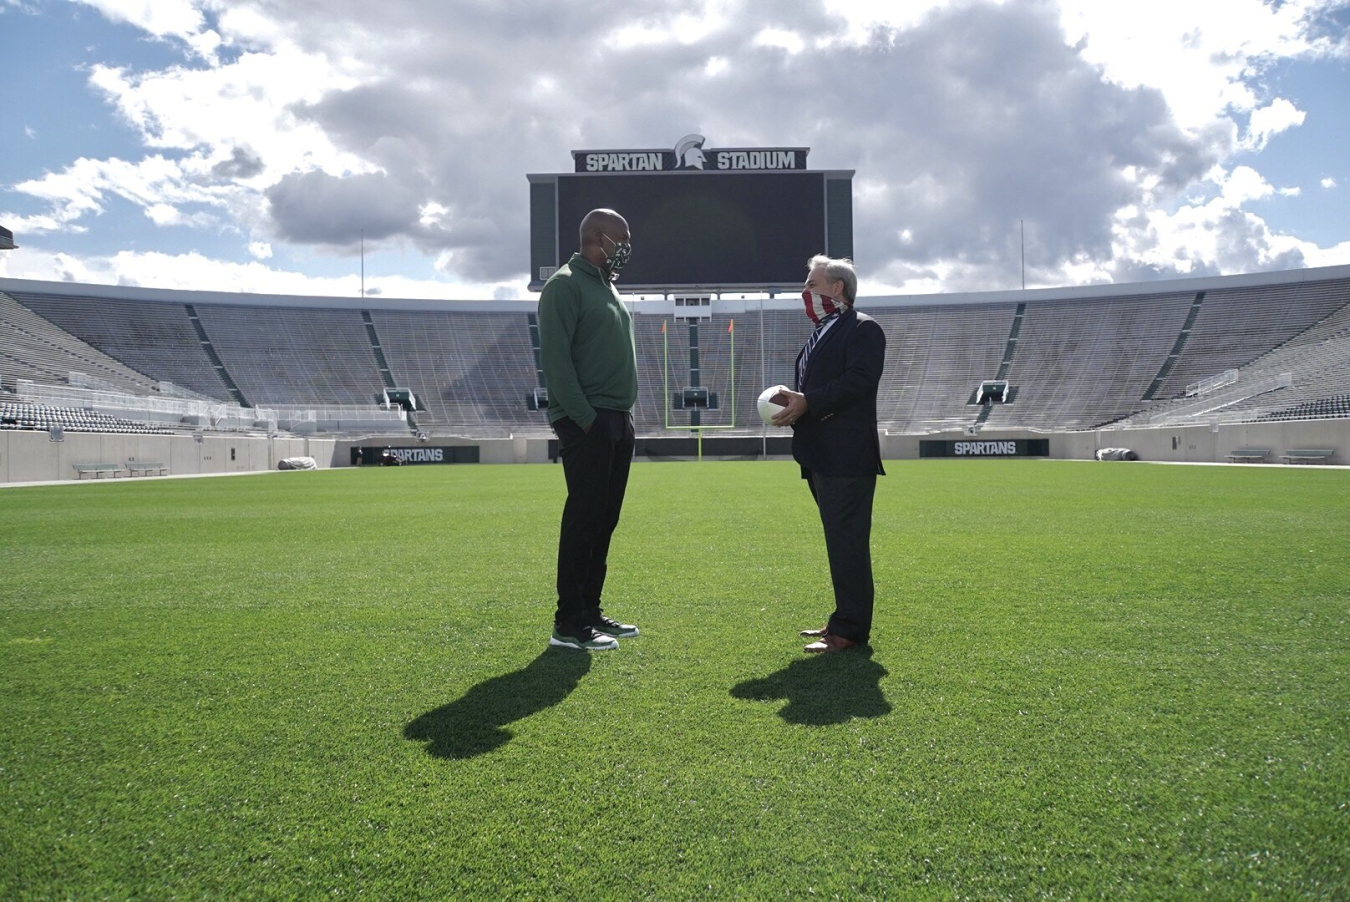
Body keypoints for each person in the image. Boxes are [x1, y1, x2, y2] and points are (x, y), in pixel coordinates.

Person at [537, 209, 641, 651]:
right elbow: (557, 364)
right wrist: (587, 420)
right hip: (589, 419)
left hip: (617, 417)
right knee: (584, 518)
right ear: (598, 238)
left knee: (605, 519)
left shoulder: (607, 286)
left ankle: (591, 609)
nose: (627, 246)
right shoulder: (564, 285)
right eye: (623, 238)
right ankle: (569, 622)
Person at [771, 255, 886, 653]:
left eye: (813, 283)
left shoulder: (863, 329)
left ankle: (850, 632)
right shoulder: (823, 331)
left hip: (846, 457)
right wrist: (793, 402)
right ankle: (842, 620)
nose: (806, 291)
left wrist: (809, 402)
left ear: (837, 288)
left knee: (848, 542)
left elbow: (858, 382)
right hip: (821, 455)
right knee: (839, 542)